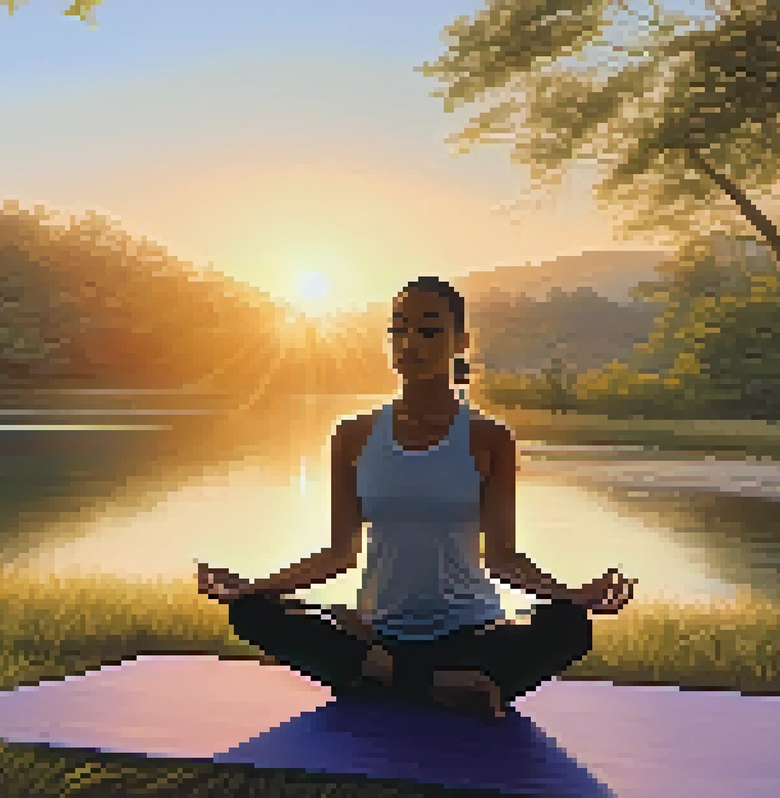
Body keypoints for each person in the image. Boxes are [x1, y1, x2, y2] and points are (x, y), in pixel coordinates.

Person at [196, 276, 636, 718]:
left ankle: (388, 676)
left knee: (569, 627)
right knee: (251, 612)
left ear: (460, 341)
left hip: (471, 631)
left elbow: (501, 558)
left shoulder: (490, 438)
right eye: (399, 329)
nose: (410, 342)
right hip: (378, 632)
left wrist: (570, 595)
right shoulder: (353, 435)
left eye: (428, 330)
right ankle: (430, 682)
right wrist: (254, 587)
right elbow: (338, 555)